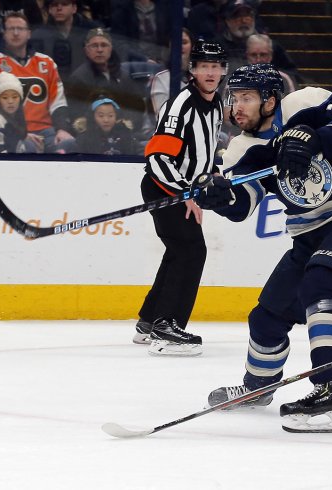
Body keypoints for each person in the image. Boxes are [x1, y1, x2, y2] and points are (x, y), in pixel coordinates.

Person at [195, 63, 332, 433]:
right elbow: (243, 203)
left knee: (321, 286)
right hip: (309, 234)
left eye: (246, 98)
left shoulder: (306, 102)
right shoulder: (242, 147)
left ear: (270, 100)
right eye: (233, 98)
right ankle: (259, 387)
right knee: (267, 315)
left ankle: (330, 394)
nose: (236, 107)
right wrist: (220, 196)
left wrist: (314, 137)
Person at [134, 40, 227, 356]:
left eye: (216, 66)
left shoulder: (214, 104)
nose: (211, 72)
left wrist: (210, 174)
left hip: (183, 191)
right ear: (194, 70)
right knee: (191, 250)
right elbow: (158, 158)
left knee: (179, 250)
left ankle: (149, 321)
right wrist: (183, 192)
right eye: (205, 66)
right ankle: (167, 326)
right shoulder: (181, 105)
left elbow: (205, 150)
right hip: (164, 188)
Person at [0, 11, 75, 153]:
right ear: (4, 34)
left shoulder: (46, 62)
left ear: (29, 33)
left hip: (46, 131)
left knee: (69, 144)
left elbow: (58, 103)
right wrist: (21, 133)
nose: (16, 33)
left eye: (20, 29)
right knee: (27, 147)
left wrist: (62, 130)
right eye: (11, 29)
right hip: (11, 131)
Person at [65, 27, 146, 135]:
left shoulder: (124, 75)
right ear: (86, 50)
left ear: (110, 49)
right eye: (94, 46)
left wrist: (125, 126)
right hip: (92, 138)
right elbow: (76, 116)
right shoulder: (79, 78)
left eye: (104, 45)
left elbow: (137, 109)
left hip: (126, 134)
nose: (99, 50)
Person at [29, 0, 100, 81]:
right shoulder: (38, 36)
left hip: (86, 84)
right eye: (55, 5)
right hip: (51, 84)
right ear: (49, 9)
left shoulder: (92, 32)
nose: (59, 8)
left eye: (64, 4)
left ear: (74, 8)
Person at [0, 71, 41, 152]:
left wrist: (25, 136)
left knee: (30, 144)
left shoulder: (19, 114)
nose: (10, 101)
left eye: (15, 97)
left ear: (20, 99)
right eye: (5, 98)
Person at [150, 27, 193, 115]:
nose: (180, 46)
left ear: (192, 46)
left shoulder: (203, 76)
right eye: (176, 42)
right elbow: (161, 115)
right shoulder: (160, 77)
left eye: (184, 42)